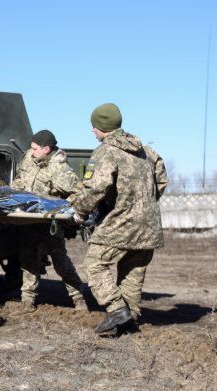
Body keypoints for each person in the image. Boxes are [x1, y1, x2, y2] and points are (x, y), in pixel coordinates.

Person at [72, 103, 167, 334]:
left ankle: (116, 310)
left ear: (102, 127)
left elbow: (95, 188)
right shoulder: (147, 151)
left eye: (93, 127)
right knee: (133, 271)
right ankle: (130, 319)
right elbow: (162, 181)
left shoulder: (106, 151)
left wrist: (79, 211)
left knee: (94, 264)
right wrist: (144, 204)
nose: (93, 131)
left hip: (121, 223)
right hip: (150, 225)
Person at [10, 129, 87, 312]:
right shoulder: (29, 158)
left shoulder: (59, 168)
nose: (31, 151)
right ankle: (27, 300)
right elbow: (21, 179)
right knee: (28, 258)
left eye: (35, 148)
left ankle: (78, 298)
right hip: (29, 219)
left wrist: (62, 207)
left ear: (46, 149)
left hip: (49, 222)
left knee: (60, 261)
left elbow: (78, 192)